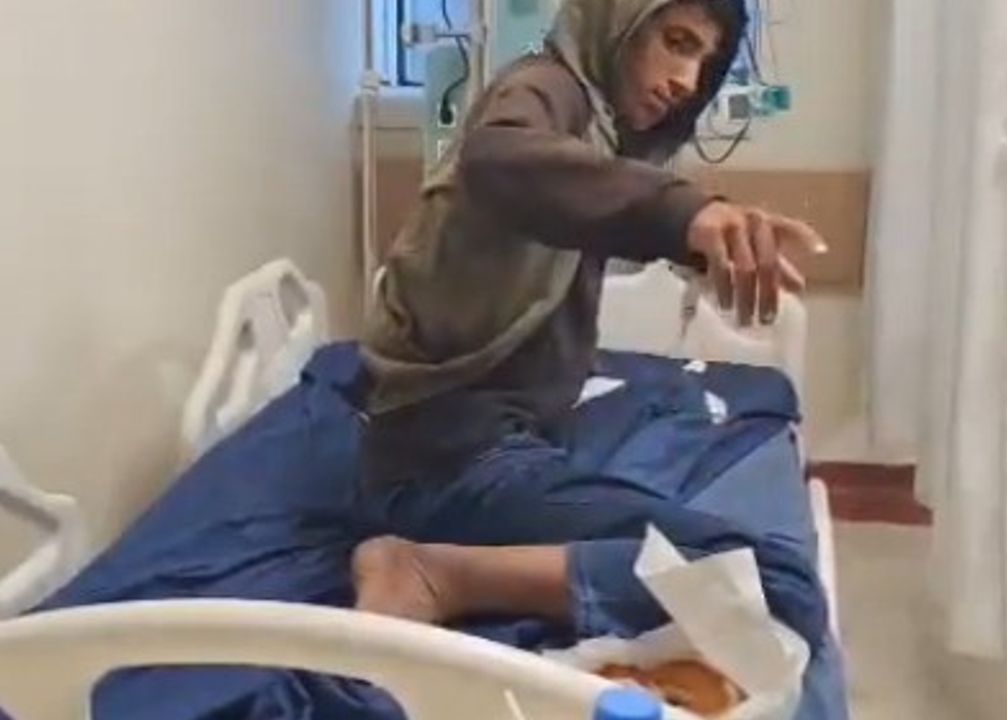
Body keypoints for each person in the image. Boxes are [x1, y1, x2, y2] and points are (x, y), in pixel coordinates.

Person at [353, 0, 832, 650]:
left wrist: (695, 239)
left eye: (705, 62)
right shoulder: (541, 90)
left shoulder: (593, 129)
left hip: (486, 437)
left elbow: (585, 202)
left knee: (680, 437)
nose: (687, 82)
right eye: (676, 42)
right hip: (449, 463)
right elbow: (499, 157)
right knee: (772, 582)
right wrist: (684, 214)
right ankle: (434, 573)